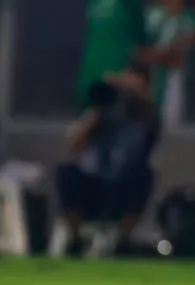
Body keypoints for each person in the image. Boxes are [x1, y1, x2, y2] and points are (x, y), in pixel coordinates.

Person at [56, 61, 159, 256]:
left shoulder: (145, 115)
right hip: (94, 182)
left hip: (123, 182)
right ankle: (76, 239)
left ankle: (123, 240)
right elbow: (73, 143)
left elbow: (154, 121)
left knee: (143, 175)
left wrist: (135, 93)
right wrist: (97, 111)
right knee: (67, 172)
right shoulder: (103, 110)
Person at [74, 0, 149, 110]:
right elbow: (142, 49)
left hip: (90, 80)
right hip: (119, 84)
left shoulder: (96, 3)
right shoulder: (132, 7)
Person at [143, 0, 195, 127]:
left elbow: (182, 47)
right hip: (148, 78)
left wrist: (158, 53)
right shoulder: (151, 15)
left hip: (172, 79)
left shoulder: (188, 17)